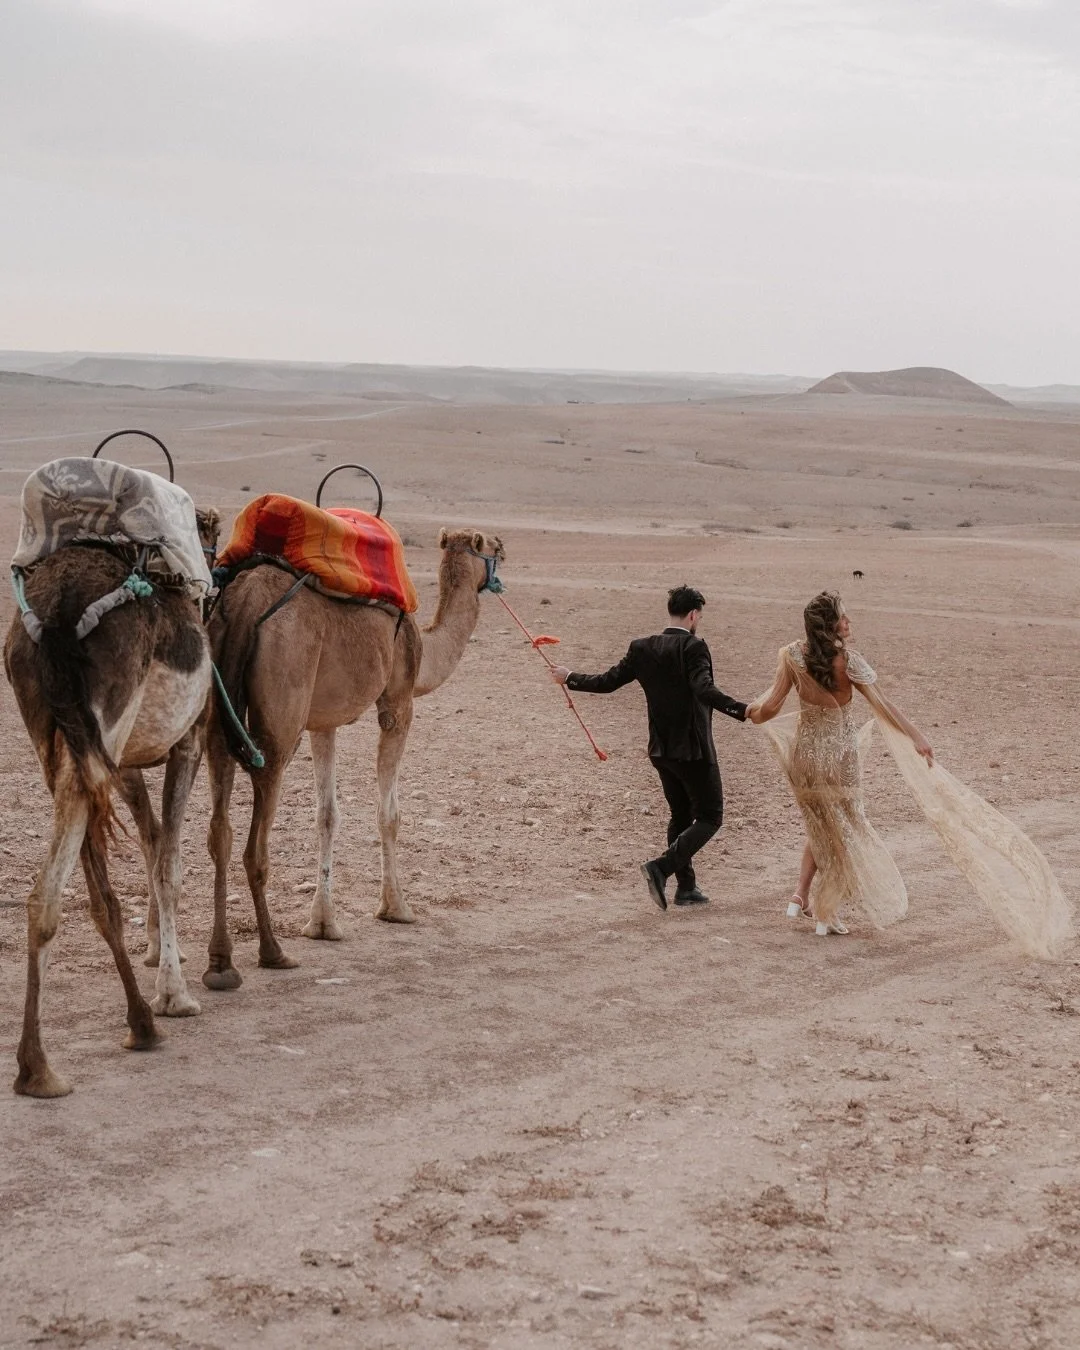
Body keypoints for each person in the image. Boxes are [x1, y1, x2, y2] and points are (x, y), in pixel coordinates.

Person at [746, 591, 1072, 957]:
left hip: (805, 757)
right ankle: (826, 911)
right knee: (844, 832)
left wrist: (747, 711)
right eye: (843, 616)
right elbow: (884, 706)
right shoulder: (849, 663)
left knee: (823, 825)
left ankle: (801, 896)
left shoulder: (790, 656)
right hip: (839, 759)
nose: (850, 620)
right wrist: (917, 735)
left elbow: (769, 708)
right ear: (830, 626)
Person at [550, 585, 749, 911]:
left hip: (660, 750)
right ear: (694, 614)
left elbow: (607, 682)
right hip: (694, 751)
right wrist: (742, 709)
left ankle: (686, 888)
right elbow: (703, 688)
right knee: (711, 816)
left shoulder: (641, 648)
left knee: (681, 815)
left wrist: (570, 676)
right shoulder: (694, 646)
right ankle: (661, 867)